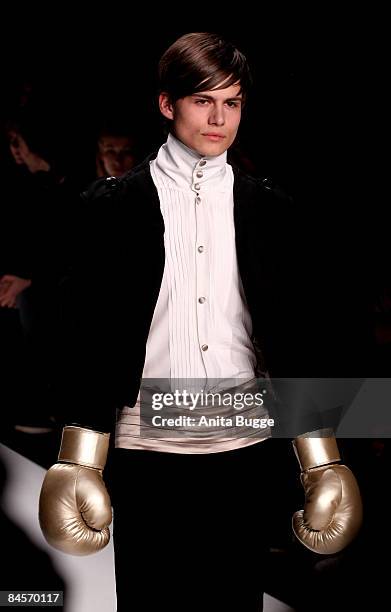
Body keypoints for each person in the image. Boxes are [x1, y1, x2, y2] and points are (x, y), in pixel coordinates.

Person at [39, 33, 363, 611]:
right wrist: (78, 456)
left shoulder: (269, 208)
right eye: (203, 101)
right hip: (148, 450)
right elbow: (84, 335)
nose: (219, 118)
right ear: (168, 105)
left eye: (232, 103)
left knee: (236, 602)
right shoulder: (109, 206)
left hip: (244, 444)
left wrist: (322, 457)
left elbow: (299, 335)